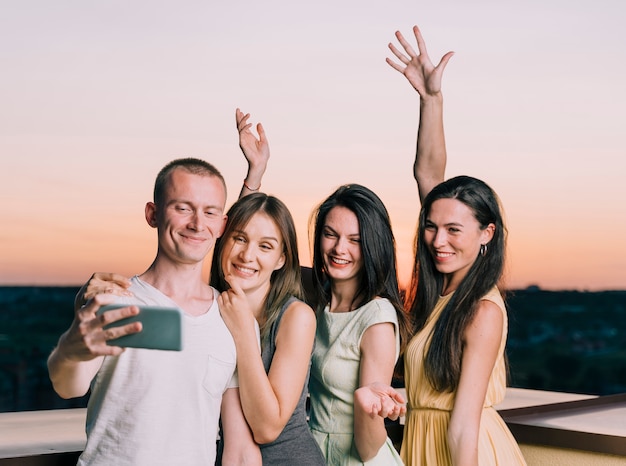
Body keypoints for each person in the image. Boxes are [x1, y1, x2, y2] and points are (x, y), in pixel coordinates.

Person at [47, 158, 261, 466]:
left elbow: (239, 447)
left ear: (222, 225)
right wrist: (70, 348)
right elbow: (68, 386)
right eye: (183, 208)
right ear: (153, 214)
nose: (198, 224)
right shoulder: (115, 300)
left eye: (210, 212)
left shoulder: (233, 319)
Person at [386, 25, 527, 465]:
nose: (437, 240)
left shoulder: (482, 310)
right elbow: (429, 175)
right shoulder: (441, 294)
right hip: (425, 445)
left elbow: (464, 423)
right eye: (431, 226)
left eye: (454, 230)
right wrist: (430, 101)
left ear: (487, 233)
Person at [211, 192, 326, 465]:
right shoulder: (212, 308)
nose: (247, 255)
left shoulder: (297, 316)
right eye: (239, 238)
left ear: (281, 259)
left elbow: (267, 428)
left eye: (265, 246)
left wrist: (244, 333)